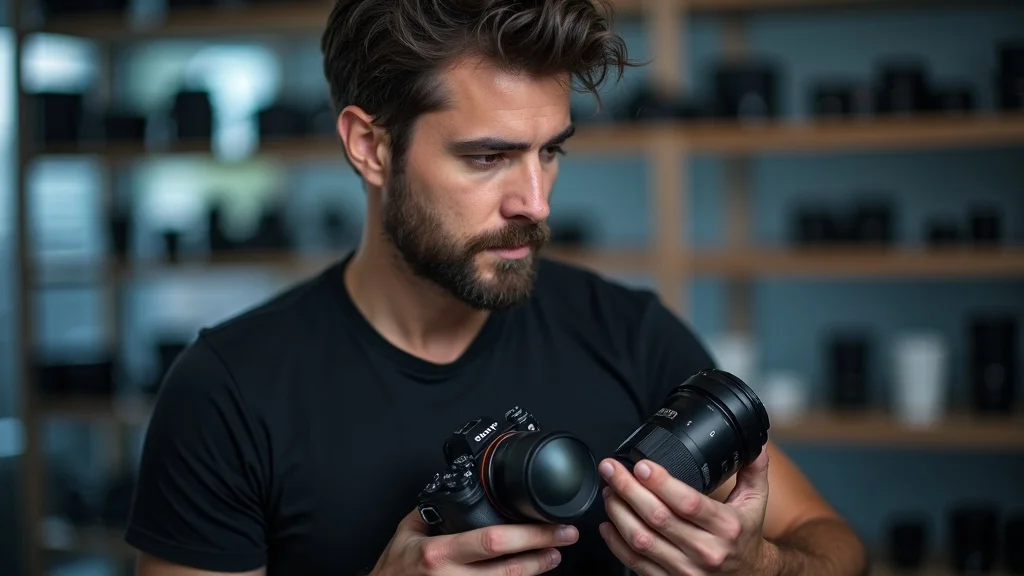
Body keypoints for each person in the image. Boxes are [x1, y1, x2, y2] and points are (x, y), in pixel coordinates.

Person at [125, 0, 869, 574]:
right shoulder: (227, 393)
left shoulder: (628, 333)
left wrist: (758, 565)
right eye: (488, 158)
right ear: (370, 146)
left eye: (550, 151)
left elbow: (831, 543)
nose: (536, 202)